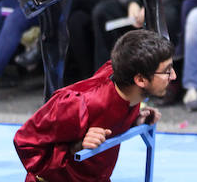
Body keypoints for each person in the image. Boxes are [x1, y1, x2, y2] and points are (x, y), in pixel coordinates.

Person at [13, 29, 171, 182]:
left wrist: (135, 120)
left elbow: (113, 115)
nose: (174, 76)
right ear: (141, 80)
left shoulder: (127, 81)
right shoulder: (78, 105)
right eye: (167, 71)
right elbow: (24, 142)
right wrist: (76, 147)